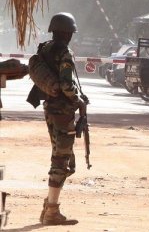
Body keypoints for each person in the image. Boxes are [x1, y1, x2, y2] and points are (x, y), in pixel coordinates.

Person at [39, 13, 86, 225]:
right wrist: (79, 101)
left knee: (62, 158)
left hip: (50, 108)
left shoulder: (45, 48)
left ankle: (49, 203)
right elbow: (67, 85)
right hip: (62, 112)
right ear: (67, 32)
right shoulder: (64, 52)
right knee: (61, 161)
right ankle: (51, 211)